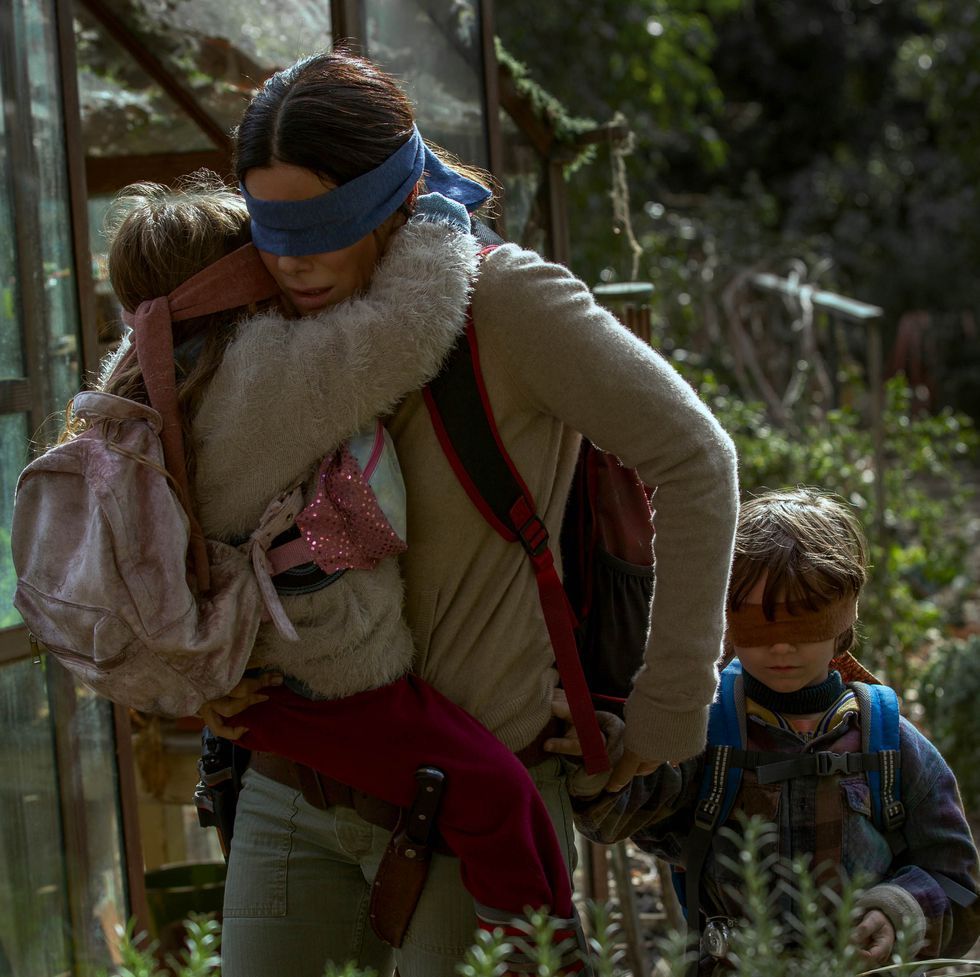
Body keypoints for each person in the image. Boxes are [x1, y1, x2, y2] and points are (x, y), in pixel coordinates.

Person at [200, 50, 739, 977]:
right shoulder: (253, 310)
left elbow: (697, 459)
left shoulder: (504, 300)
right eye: (271, 228)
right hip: (290, 787)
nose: (292, 261)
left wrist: (665, 715)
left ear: (396, 196)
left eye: (323, 224)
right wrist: (189, 665)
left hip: (474, 804)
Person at [97, 174, 586, 965]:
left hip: (259, 684)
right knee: (496, 794)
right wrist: (435, 216)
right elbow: (407, 329)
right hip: (333, 678)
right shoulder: (252, 376)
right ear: (231, 281)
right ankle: (545, 947)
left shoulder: (141, 377)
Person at [559, 488, 980, 973]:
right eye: (757, 619)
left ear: (843, 616)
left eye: (803, 617)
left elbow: (958, 884)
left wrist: (900, 909)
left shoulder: (892, 746)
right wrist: (600, 757)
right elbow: (619, 815)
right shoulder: (703, 736)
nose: (780, 645)